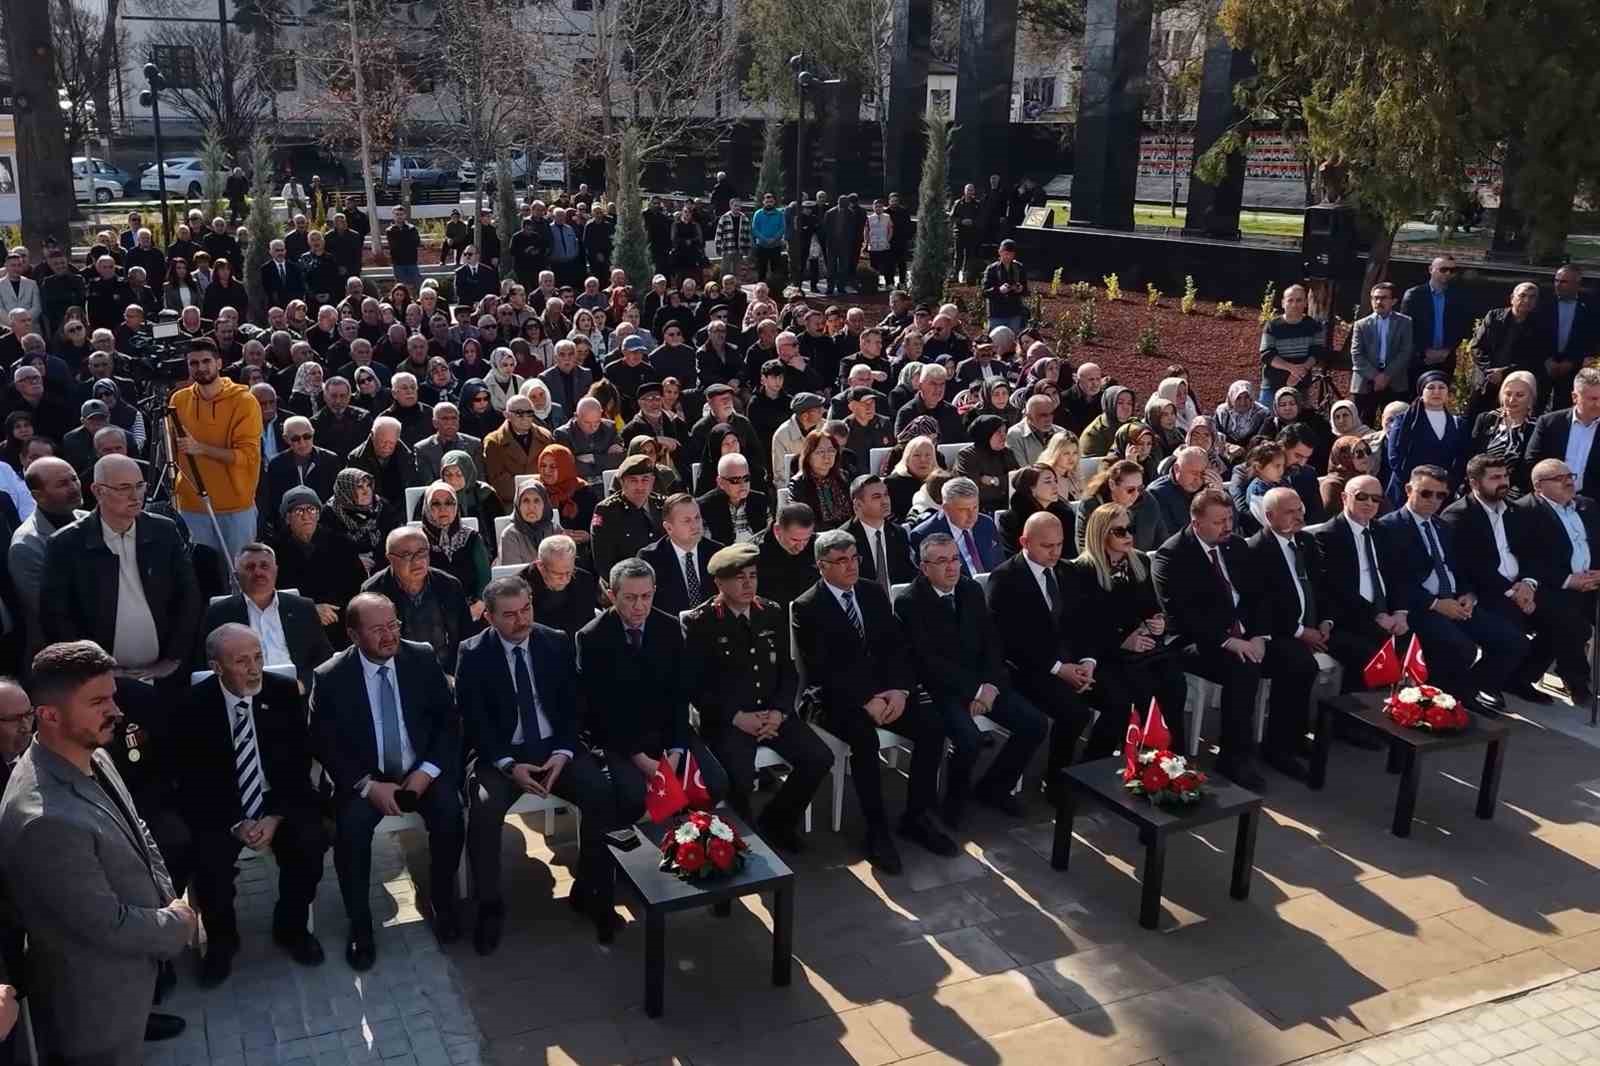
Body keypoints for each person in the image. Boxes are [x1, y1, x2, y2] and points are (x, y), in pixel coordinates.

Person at [1, 640, 198, 1060]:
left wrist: (166, 897)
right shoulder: (44, 820)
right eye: (98, 702)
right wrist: (176, 923)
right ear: (49, 715)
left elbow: (138, 828)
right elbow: (103, 924)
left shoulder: (93, 751)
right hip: (96, 1003)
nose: (116, 710)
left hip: (132, 970)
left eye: (112, 696)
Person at [457, 576, 628, 951]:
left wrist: (563, 752)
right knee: (484, 810)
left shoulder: (555, 641)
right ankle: (489, 908)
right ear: (489, 617)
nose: (522, 621)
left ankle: (592, 893)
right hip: (502, 756)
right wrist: (508, 765)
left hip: (556, 750)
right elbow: (475, 721)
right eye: (510, 615)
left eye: (526, 609)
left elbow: (573, 705)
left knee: (602, 794)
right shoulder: (473, 653)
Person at [311, 593, 463, 968]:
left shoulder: (421, 658)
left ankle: (443, 903)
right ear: (353, 634)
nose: (389, 635)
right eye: (377, 629)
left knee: (450, 815)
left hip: (421, 770)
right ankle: (360, 924)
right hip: (366, 779)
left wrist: (426, 773)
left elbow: (448, 724)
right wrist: (367, 785)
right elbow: (325, 743)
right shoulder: (331, 676)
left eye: (393, 624)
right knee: (350, 830)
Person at [791, 530, 955, 872]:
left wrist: (900, 690)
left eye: (854, 558)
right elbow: (822, 671)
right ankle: (876, 830)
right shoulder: (808, 607)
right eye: (841, 561)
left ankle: (917, 816)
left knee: (932, 726)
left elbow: (896, 647)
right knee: (864, 740)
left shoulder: (871, 591)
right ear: (822, 566)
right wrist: (865, 701)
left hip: (884, 692)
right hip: (832, 700)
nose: (851, 566)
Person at [175, 624, 327, 986]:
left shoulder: (284, 692)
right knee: (208, 862)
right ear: (216, 667)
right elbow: (192, 780)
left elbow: (298, 764)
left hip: (277, 798)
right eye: (241, 661)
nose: (254, 668)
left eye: (258, 657)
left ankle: (291, 927)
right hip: (222, 806)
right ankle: (222, 942)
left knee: (312, 840)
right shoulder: (192, 706)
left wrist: (275, 816)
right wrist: (235, 822)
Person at [1151, 489, 1313, 790]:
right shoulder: (1172, 555)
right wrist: (1229, 642)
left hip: (1245, 634)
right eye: (1218, 522)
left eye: (1229, 519)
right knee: (1243, 670)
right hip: (1195, 641)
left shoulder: (1235, 545)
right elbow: (1183, 615)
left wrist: (1260, 636)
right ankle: (1234, 758)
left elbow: (1259, 596)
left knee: (1298, 660)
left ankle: (1281, 744)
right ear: (1196, 522)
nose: (1227, 527)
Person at [683, 544, 832, 848]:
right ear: (719, 583)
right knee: (736, 776)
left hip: (772, 713)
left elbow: (788, 671)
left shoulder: (771, 612)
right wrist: (736, 717)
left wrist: (779, 711)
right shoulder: (702, 622)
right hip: (729, 720)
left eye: (752, 576)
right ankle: (743, 843)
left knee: (818, 758)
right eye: (739, 578)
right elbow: (697, 685)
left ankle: (777, 822)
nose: (748, 584)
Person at [896, 532, 1047, 825]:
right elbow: (928, 663)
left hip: (985, 682)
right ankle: (954, 802)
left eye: (955, 558)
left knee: (1034, 724)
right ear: (924, 567)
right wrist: (975, 690)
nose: (952, 567)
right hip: (942, 690)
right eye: (942, 561)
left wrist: (990, 685)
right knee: (969, 740)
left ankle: (994, 788)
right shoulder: (909, 602)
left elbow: (992, 642)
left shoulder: (970, 589)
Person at [1376, 465, 1526, 714]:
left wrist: (1468, 594)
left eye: (1441, 495)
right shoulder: (1389, 527)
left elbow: (1458, 568)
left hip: (1455, 602)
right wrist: (1435, 604)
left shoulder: (1442, 526)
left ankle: (1470, 689)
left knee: (1513, 641)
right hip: (1420, 607)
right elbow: (1395, 581)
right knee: (1462, 648)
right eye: (1426, 493)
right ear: (1409, 490)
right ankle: (1450, 700)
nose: (1434, 501)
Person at [41, 454, 201, 686]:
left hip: (165, 674)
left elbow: (189, 597)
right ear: (98, 491)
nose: (135, 496)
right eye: (124, 488)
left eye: (139, 485)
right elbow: (57, 617)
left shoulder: (164, 531)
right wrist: (96, 668)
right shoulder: (66, 544)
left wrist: (173, 659)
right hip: (100, 679)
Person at [984, 512, 1097, 800]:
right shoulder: (1006, 578)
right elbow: (1009, 641)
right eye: (1047, 546)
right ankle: (1056, 781)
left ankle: (1093, 771)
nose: (1055, 552)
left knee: (1118, 698)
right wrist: (1059, 669)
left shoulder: (1068, 572)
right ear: (1024, 542)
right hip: (1027, 670)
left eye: (1059, 544)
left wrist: (1087, 662)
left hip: (1071, 664)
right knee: (1075, 713)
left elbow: (1084, 623)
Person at [1065, 501, 1190, 752]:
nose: (1129, 535)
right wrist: (1122, 640)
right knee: (1136, 692)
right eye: (1120, 531)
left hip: (1142, 648)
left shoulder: (1139, 561)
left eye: (1130, 528)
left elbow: (1151, 607)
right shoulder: (1081, 571)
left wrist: (1157, 621)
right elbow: (1081, 626)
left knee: (1175, 683)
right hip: (1104, 652)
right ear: (1102, 533)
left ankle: (1172, 757)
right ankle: (1118, 759)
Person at [1436, 456, 1547, 707]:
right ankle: (1482, 684)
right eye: (1495, 478)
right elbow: (1470, 567)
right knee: (1514, 638)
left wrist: (1528, 583)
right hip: (1481, 592)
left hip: (1520, 587)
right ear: (1474, 482)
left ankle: (1517, 679)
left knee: (1563, 622)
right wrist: (1513, 593)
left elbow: (1533, 553)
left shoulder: (1515, 511)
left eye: (1505, 476)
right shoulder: (1458, 515)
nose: (1503, 482)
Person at [1241, 487, 1330, 778]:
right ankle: (1277, 747)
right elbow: (1261, 605)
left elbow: (1320, 588)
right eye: (1290, 512)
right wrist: (1300, 631)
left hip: (1312, 627)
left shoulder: (1305, 542)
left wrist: (1325, 621)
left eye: (1300, 509)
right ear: (1269, 516)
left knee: (1352, 645)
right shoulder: (1257, 550)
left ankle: (1298, 734)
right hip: (1273, 632)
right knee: (1299, 664)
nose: (1298, 516)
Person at [167, 337, 263, 571]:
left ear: (219, 363)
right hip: (192, 507)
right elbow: (171, 454)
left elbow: (247, 456)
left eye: (206, 361)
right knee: (201, 577)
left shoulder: (244, 401)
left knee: (240, 576)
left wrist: (200, 448)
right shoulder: (178, 400)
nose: (200, 368)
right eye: (194, 363)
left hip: (236, 507)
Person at [1511, 458, 1600, 707]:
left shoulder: (1587, 506)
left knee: (1572, 625)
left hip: (1591, 583)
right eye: (1559, 478)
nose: (1568, 482)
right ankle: (1578, 683)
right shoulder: (1524, 511)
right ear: (1539, 486)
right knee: (1573, 626)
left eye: (1570, 476)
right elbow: (1526, 558)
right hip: (1547, 587)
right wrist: (1568, 580)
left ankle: (1521, 676)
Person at [202, 544, 335, 694]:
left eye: (264, 566)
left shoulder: (302, 607)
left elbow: (325, 657)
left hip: (298, 694)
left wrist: (303, 684)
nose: (258, 572)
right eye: (250, 567)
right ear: (236, 575)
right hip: (245, 695)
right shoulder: (219, 613)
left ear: (275, 570)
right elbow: (208, 663)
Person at [361, 526, 477, 675]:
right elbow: (371, 645)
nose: (417, 561)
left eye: (422, 552)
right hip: (397, 674)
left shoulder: (449, 585)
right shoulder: (374, 592)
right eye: (407, 555)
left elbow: (466, 638)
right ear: (390, 558)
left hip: (446, 672)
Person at [9, 456, 80, 659]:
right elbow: (47, 611)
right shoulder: (26, 545)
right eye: (62, 484)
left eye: (74, 478)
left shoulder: (89, 520)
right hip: (62, 654)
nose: (74, 487)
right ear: (38, 495)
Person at [1384, 370, 1469, 506]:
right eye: (1431, 387)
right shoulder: (1404, 421)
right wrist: (1416, 484)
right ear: (1421, 393)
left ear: (1448, 392)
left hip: (1442, 493)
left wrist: (1449, 484)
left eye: (1441, 387)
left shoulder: (1457, 423)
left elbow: (1461, 457)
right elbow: (1395, 456)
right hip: (1407, 491)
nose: (1436, 392)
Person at [1465, 282, 1544, 421]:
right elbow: (1476, 347)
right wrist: (1490, 371)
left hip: (1514, 384)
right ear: (1512, 298)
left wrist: (1503, 373)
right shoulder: (1494, 317)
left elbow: (1533, 358)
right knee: (1474, 421)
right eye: (1522, 295)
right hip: (1485, 381)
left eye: (1532, 297)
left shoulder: (1538, 325)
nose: (1526, 300)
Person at [637, 493, 723, 616]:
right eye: (687, 521)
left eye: (697, 517)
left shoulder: (717, 552)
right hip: (670, 624)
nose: (695, 525)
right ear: (669, 528)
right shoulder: (650, 557)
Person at [1527, 366, 1600, 502]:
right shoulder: (1549, 423)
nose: (1598, 404)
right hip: (1549, 500)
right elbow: (1532, 461)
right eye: (1593, 399)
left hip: (1593, 503)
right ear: (1574, 397)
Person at [1401, 255, 1473, 389]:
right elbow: (1406, 329)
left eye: (1452, 270)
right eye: (1443, 269)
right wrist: (1424, 352)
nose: (1448, 273)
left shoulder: (1459, 297)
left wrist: (1447, 350)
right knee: (1415, 397)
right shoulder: (1414, 295)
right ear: (1431, 269)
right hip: (1418, 359)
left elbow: (1463, 327)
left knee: (1440, 398)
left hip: (1446, 360)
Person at [910, 476, 1003, 575]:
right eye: (963, 510)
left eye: (975, 507)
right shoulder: (925, 534)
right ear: (946, 508)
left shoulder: (986, 523)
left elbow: (1000, 563)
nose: (972, 515)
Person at [1350, 281, 1414, 424]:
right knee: (1362, 426)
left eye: (1383, 298)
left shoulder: (1405, 322)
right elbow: (1356, 354)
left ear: (1394, 301)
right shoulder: (1361, 325)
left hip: (1395, 381)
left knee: (1396, 426)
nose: (1378, 302)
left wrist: (1386, 375)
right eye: (1375, 298)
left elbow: (1405, 352)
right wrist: (1375, 376)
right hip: (1365, 383)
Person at [417, 481, 491, 604]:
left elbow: (485, 578)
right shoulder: (418, 541)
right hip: (431, 608)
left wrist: (479, 605)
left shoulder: (471, 538)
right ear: (427, 507)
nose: (443, 509)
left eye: (449, 503)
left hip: (472, 607)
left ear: (456, 506)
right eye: (435, 503)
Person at [1537, 264, 1597, 412]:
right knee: (1536, 407)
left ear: (1577, 284)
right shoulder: (1543, 302)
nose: (1558, 285)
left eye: (1563, 282)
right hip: (1544, 366)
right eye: (1556, 280)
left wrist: (1573, 362)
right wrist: (1547, 360)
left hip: (1572, 369)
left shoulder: (1591, 306)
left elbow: (1592, 338)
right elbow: (1534, 334)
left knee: (1563, 410)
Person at [1470, 370, 1538, 498]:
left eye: (1520, 395)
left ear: (1531, 398)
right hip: (1481, 490)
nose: (1512, 400)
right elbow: (1472, 455)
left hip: (1517, 494)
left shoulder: (1537, 427)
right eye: (1508, 394)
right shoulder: (1486, 419)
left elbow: (1530, 467)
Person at [483, 393, 553, 501]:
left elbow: (553, 471)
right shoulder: (494, 442)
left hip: (544, 499)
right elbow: (498, 480)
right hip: (511, 502)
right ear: (506, 415)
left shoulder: (545, 436)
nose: (525, 418)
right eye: (519, 413)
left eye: (529, 413)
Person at [997, 464, 1076, 558]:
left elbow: (1071, 552)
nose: (1055, 486)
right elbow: (1012, 555)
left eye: (1055, 481)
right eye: (1048, 482)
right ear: (1031, 488)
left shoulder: (1065, 513)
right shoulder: (1011, 519)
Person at [697, 452, 768, 547]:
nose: (743, 485)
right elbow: (705, 545)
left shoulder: (760, 501)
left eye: (746, 478)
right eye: (735, 480)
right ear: (720, 482)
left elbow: (768, 537)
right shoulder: (704, 507)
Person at [981, 239, 1028, 336]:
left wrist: (1020, 289)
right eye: (1005, 254)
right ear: (1000, 252)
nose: (1007, 257)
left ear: (1014, 255)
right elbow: (984, 292)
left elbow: (1025, 290)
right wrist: (999, 290)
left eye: (1010, 254)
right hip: (997, 314)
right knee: (995, 339)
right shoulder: (992, 269)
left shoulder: (1019, 268)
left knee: (1014, 339)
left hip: (1015, 313)